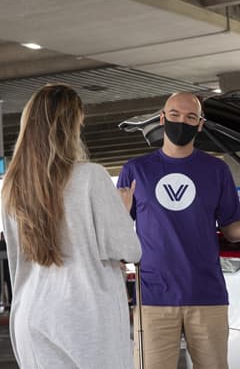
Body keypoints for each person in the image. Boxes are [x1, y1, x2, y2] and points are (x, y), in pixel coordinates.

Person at [118, 92, 240, 369]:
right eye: (175, 115)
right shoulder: (136, 170)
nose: (182, 121)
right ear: (162, 119)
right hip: (153, 297)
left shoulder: (216, 170)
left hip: (207, 295)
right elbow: (117, 236)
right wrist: (118, 213)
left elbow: (231, 230)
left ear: (200, 124)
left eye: (191, 117)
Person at [1, 83, 142, 369]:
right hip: (85, 316)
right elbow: (129, 249)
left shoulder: (11, 187)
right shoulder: (90, 177)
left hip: (31, 314)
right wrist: (122, 210)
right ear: (71, 125)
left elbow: (17, 259)